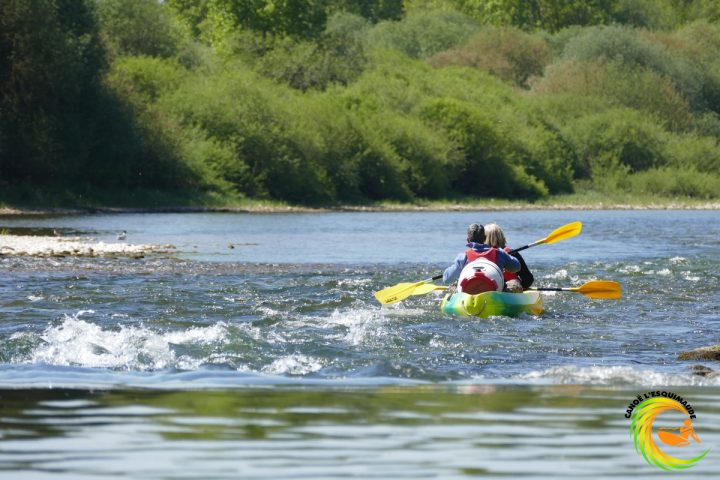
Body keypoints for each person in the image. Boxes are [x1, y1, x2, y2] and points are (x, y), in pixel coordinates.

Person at [443, 223, 521, 295]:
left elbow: (446, 279)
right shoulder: (499, 253)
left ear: (468, 240)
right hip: (496, 293)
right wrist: (504, 260)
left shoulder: (463, 257)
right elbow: (516, 267)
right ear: (484, 238)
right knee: (514, 283)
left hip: (467, 294)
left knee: (453, 284)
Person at [484, 223, 534, 293]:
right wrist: (520, 285)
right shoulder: (512, 254)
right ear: (501, 237)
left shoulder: (479, 255)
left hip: (486, 288)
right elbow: (528, 280)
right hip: (509, 290)